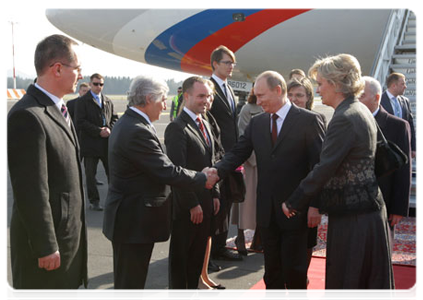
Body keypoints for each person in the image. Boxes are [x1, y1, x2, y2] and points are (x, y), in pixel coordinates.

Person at [283, 54, 395, 300]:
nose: (318, 89)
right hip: (367, 211)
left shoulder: (344, 118)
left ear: (335, 84)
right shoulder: (360, 110)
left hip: (355, 218)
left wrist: (294, 201)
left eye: (321, 83)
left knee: (351, 286)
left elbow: (324, 168)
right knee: (365, 287)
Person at [102, 75, 219, 300]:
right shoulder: (136, 130)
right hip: (132, 220)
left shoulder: (130, 123)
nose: (166, 105)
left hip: (131, 219)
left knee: (131, 284)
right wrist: (201, 178)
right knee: (130, 287)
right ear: (148, 99)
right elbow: (165, 170)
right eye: (162, 100)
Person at [214, 70, 325, 300]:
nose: (258, 100)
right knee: (271, 270)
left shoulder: (309, 121)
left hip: (297, 209)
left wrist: (315, 206)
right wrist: (216, 172)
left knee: (295, 271)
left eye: (262, 95)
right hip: (267, 211)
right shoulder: (257, 123)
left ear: (278, 90)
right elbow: (237, 153)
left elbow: (319, 167)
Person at [5, 34, 87, 300]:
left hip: (66, 244)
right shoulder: (28, 116)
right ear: (58, 68)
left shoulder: (58, 109)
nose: (81, 75)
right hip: (48, 252)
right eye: (78, 68)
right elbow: (31, 190)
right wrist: (45, 246)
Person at [165, 76, 221, 299]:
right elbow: (177, 172)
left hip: (206, 200)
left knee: (197, 256)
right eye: (200, 96)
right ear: (185, 96)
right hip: (188, 206)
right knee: (182, 259)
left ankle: (192, 294)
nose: (205, 101)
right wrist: (192, 203)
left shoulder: (204, 122)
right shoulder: (176, 128)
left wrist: (215, 193)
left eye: (208, 96)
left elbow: (212, 161)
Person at [360, 76, 411, 247]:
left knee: (380, 250)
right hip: (353, 203)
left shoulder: (397, 126)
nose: (356, 100)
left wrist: (398, 208)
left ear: (376, 98)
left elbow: (403, 170)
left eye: (361, 95)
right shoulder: (348, 122)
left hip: (383, 200)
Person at [287, 77, 327, 281]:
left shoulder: (315, 119)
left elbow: (319, 165)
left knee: (304, 243)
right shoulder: (278, 119)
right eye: (291, 95)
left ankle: (301, 280)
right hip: (284, 195)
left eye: (299, 95)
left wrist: (315, 204)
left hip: (306, 195)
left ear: (309, 97)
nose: (294, 99)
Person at [208, 45, 242, 262]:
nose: (231, 67)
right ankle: (207, 254)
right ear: (215, 64)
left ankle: (220, 247)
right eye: (227, 62)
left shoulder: (228, 88)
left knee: (227, 203)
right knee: (214, 204)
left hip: (230, 156)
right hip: (216, 156)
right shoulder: (208, 87)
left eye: (232, 63)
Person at [75, 73, 118, 211]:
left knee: (111, 173)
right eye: (95, 84)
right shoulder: (82, 101)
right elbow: (80, 122)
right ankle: (94, 201)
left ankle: (114, 199)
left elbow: (115, 118)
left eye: (101, 84)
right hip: (90, 144)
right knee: (90, 175)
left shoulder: (107, 101)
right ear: (90, 84)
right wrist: (98, 130)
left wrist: (109, 129)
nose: (98, 87)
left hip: (106, 144)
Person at [232, 85, 264, 255]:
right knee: (245, 202)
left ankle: (259, 237)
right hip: (251, 163)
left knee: (261, 202)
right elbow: (243, 135)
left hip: (268, 163)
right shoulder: (247, 109)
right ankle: (240, 236)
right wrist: (255, 158)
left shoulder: (271, 108)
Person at [380, 72, 417, 158]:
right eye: (402, 84)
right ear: (394, 86)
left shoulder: (405, 101)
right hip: (386, 149)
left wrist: (413, 147)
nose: (405, 86)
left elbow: (410, 124)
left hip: (403, 148)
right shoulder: (380, 101)